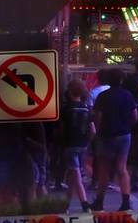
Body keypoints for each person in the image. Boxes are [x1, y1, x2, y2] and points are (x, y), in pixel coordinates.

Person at [91, 69, 137, 213]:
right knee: (122, 168)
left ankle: (99, 202)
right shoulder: (128, 95)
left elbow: (97, 116)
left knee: (104, 170)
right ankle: (125, 201)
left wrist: (97, 130)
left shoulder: (103, 96)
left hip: (106, 135)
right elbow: (135, 116)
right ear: (122, 80)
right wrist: (126, 126)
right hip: (124, 134)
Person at [59, 80, 94, 213]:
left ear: (69, 91)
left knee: (76, 175)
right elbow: (93, 130)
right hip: (82, 145)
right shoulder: (86, 108)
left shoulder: (66, 109)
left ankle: (85, 204)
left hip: (70, 145)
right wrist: (87, 142)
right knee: (73, 176)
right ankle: (65, 206)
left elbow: (61, 129)